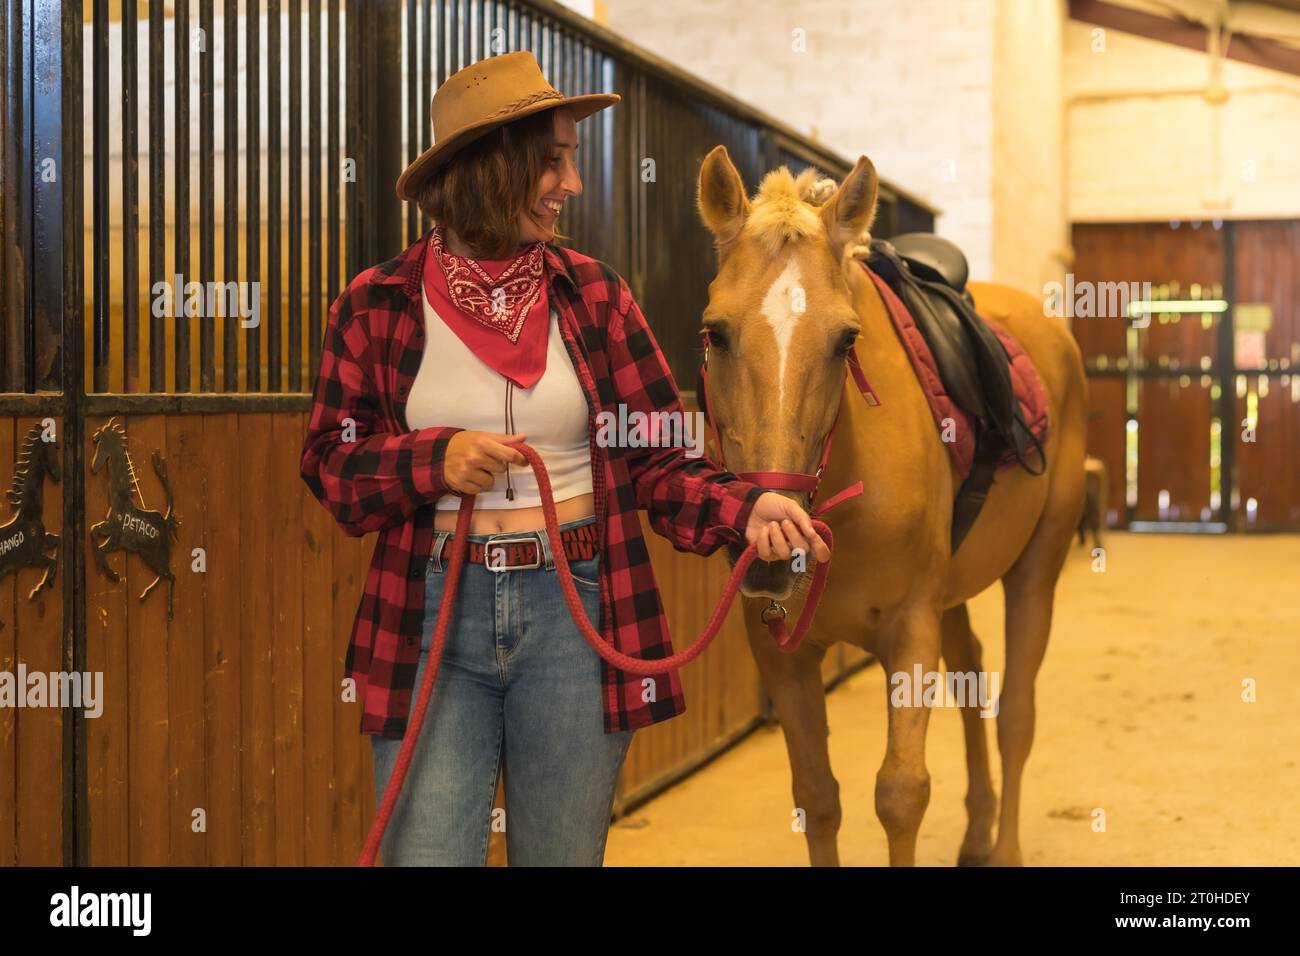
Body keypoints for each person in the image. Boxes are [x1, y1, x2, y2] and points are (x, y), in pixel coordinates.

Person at [300, 51, 829, 866]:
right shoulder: (374, 304)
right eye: (552, 162)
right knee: (427, 853)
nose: (570, 185)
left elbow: (658, 459)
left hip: (574, 605)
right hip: (432, 609)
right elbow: (333, 466)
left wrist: (742, 507)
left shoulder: (596, 295)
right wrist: (430, 461)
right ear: (488, 169)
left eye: (569, 161)